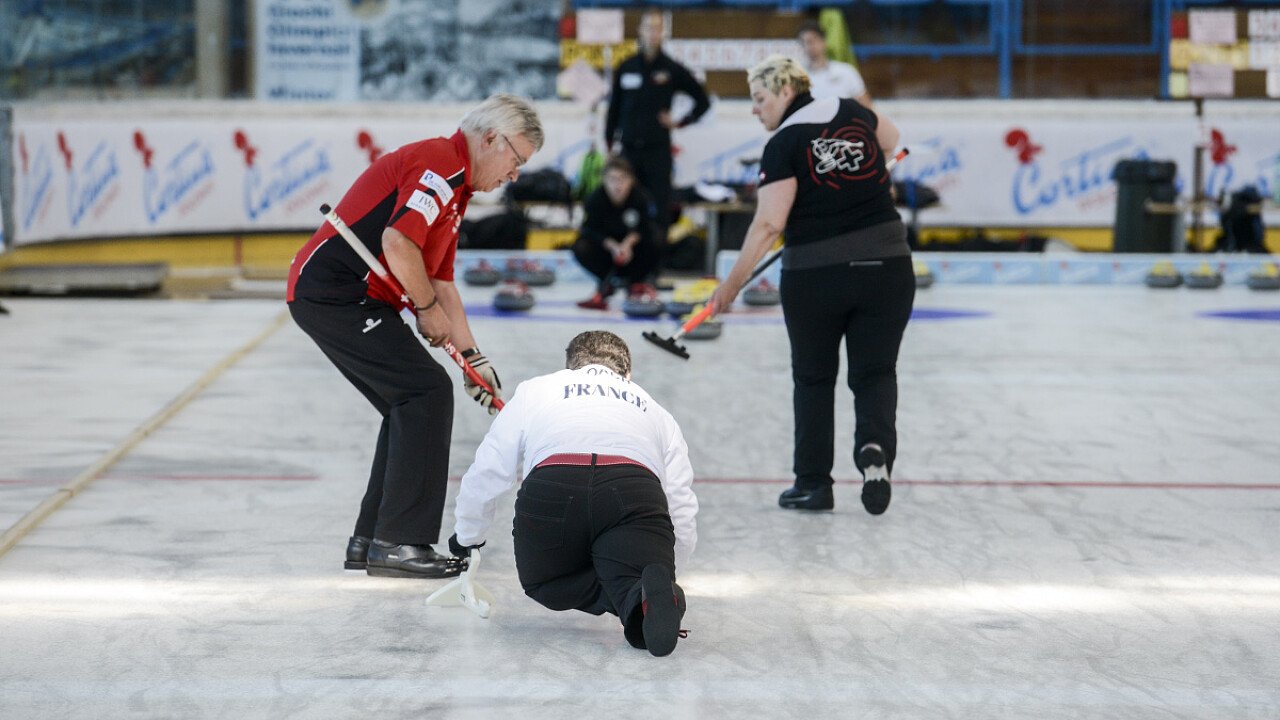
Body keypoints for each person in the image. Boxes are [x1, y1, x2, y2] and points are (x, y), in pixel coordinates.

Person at [286, 94, 544, 578]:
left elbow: (441, 281)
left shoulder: (458, 190)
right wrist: (424, 310)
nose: (515, 176)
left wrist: (472, 357)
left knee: (408, 401)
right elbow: (397, 242)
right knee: (424, 392)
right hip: (336, 293)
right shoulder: (440, 164)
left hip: (351, 298)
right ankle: (398, 543)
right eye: (516, 160)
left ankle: (372, 540)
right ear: (490, 139)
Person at [708, 55, 912, 516]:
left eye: (760, 99)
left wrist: (731, 286)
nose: (755, 110)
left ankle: (813, 484)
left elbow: (768, 225)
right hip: (889, 264)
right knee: (875, 373)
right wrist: (862, 178)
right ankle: (874, 449)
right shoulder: (852, 111)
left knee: (815, 378)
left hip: (817, 274)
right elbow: (894, 141)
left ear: (785, 91)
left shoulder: (783, 143)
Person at [448, 330, 698, 657]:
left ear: (570, 367)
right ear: (627, 373)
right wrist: (665, 564)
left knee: (546, 584)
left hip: (554, 488)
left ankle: (631, 597)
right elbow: (680, 499)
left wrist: (467, 537)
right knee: (632, 572)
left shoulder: (536, 390)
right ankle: (639, 595)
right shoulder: (654, 409)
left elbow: (489, 469)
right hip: (634, 490)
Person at [604, 9, 711, 273]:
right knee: (624, 206)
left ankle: (655, 268)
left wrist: (680, 121)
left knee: (660, 211)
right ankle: (623, 265)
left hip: (657, 152)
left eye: (658, 28)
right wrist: (610, 148)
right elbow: (613, 111)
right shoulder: (626, 67)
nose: (653, 32)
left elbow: (703, 100)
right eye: (648, 27)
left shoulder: (671, 69)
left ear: (663, 33)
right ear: (639, 31)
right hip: (628, 153)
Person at [572, 155, 660, 309]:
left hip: (634, 253)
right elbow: (589, 230)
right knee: (580, 246)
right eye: (612, 179)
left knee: (657, 240)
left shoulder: (641, 197)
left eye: (622, 179)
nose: (617, 185)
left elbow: (645, 227)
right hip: (606, 252)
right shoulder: (595, 199)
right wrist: (612, 246)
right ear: (604, 179)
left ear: (631, 180)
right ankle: (606, 283)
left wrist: (627, 245)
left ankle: (636, 283)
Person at [796, 21, 872, 106]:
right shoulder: (797, 77)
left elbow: (867, 106)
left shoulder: (846, 71)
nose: (808, 47)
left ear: (824, 42)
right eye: (803, 42)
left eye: (812, 41)